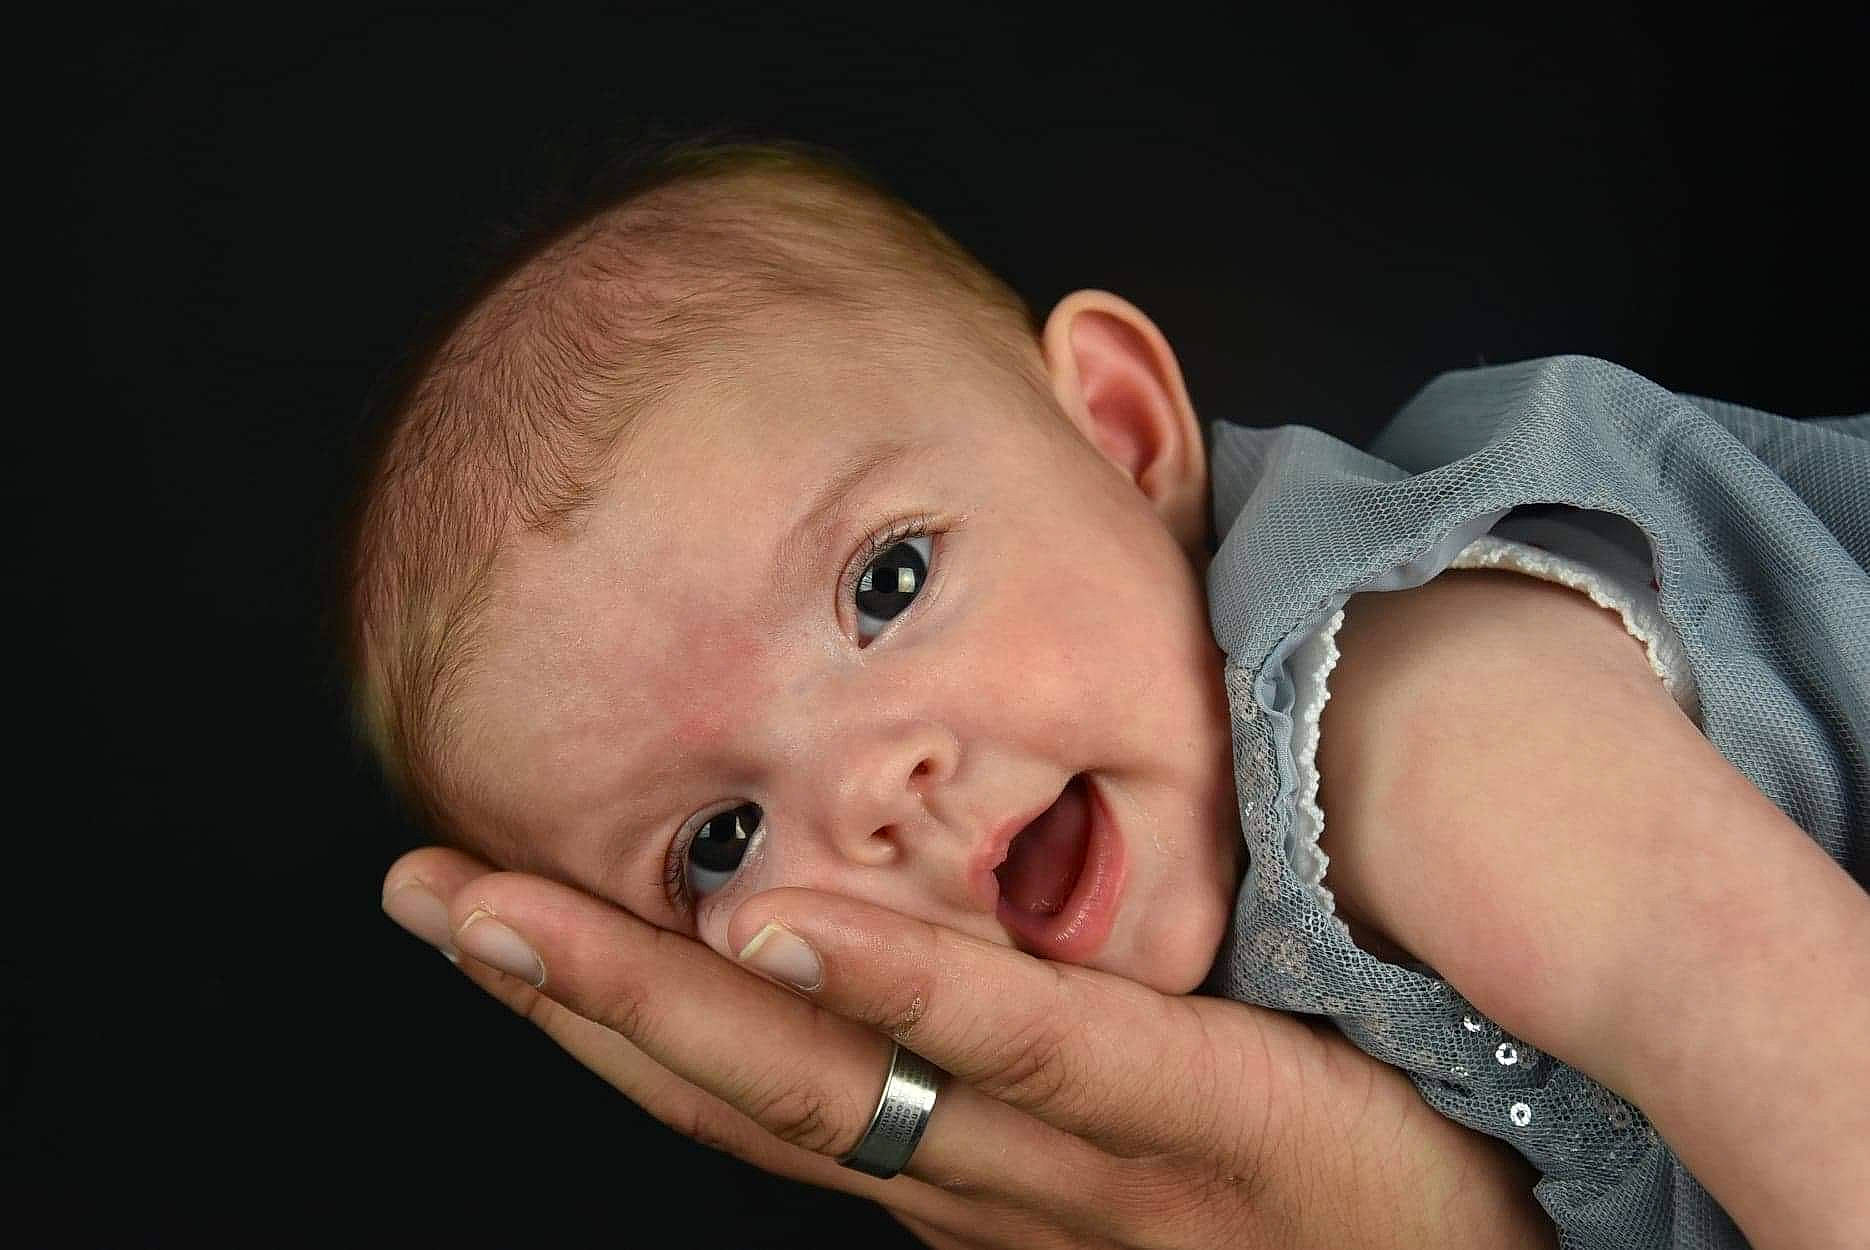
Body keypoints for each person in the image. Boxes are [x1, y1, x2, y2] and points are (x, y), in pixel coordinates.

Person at [347, 135, 1869, 1249]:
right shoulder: (1102, 1097)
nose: (876, 787)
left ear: (1125, 432)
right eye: (720, 839)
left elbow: (1811, 1051)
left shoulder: (1402, 711)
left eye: (886, 586)